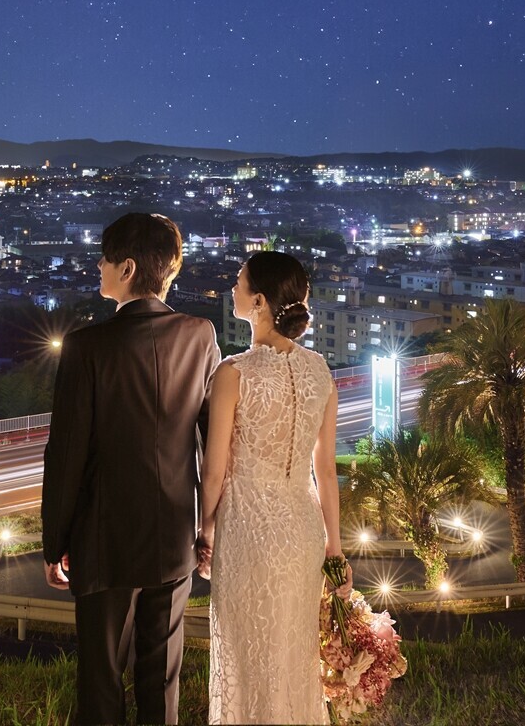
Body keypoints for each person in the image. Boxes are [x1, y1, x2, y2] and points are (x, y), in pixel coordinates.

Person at [42, 212, 221, 726]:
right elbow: (211, 441)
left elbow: (67, 454)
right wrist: (206, 527)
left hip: (104, 542)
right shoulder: (200, 335)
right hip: (173, 539)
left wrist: (55, 543)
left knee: (101, 681)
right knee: (161, 679)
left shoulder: (87, 346)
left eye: (104, 259)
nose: (97, 267)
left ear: (126, 267)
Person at [196, 252, 351, 726]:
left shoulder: (234, 373)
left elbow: (216, 472)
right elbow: (325, 471)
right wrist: (336, 550)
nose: (233, 288)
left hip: (249, 531)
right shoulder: (321, 372)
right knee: (293, 659)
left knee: (247, 660)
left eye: (239, 282)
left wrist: (205, 531)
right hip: (302, 530)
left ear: (259, 301)